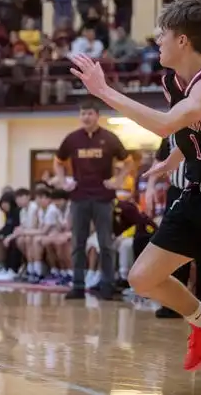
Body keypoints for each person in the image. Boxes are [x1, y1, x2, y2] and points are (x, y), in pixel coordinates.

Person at [69, 0, 201, 371]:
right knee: (142, 278)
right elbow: (193, 131)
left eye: (162, 34)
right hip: (198, 197)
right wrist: (174, 158)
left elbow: (165, 124)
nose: (156, 41)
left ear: (182, 40)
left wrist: (104, 92)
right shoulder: (173, 81)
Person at [53, 100, 133, 300]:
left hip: (103, 198)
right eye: (82, 113)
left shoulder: (110, 138)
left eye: (89, 113)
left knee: (105, 243)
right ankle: (78, 286)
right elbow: (58, 161)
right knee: (77, 244)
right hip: (79, 197)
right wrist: (63, 181)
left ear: (97, 115)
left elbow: (129, 161)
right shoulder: (72, 139)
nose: (85, 117)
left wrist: (118, 180)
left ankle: (107, 285)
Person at [147, 136, 201, 318]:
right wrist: (150, 187)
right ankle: (175, 305)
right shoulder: (171, 131)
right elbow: (161, 159)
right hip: (178, 192)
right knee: (173, 247)